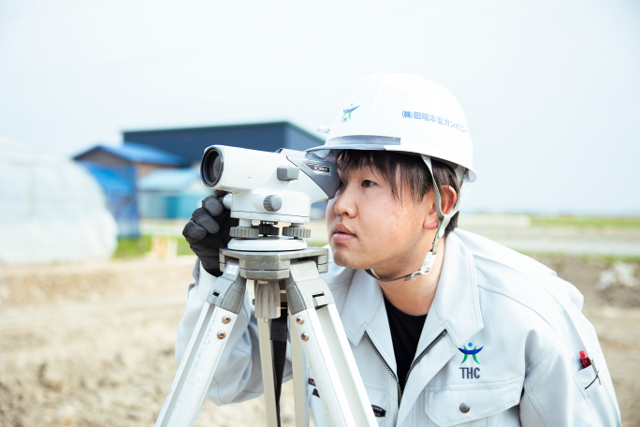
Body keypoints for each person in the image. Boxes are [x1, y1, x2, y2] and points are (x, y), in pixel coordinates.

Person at [178, 74, 621, 426]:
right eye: (339, 183)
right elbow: (222, 382)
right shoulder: (317, 292)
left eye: (368, 183)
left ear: (438, 204)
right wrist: (216, 272)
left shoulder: (531, 315)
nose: (341, 205)